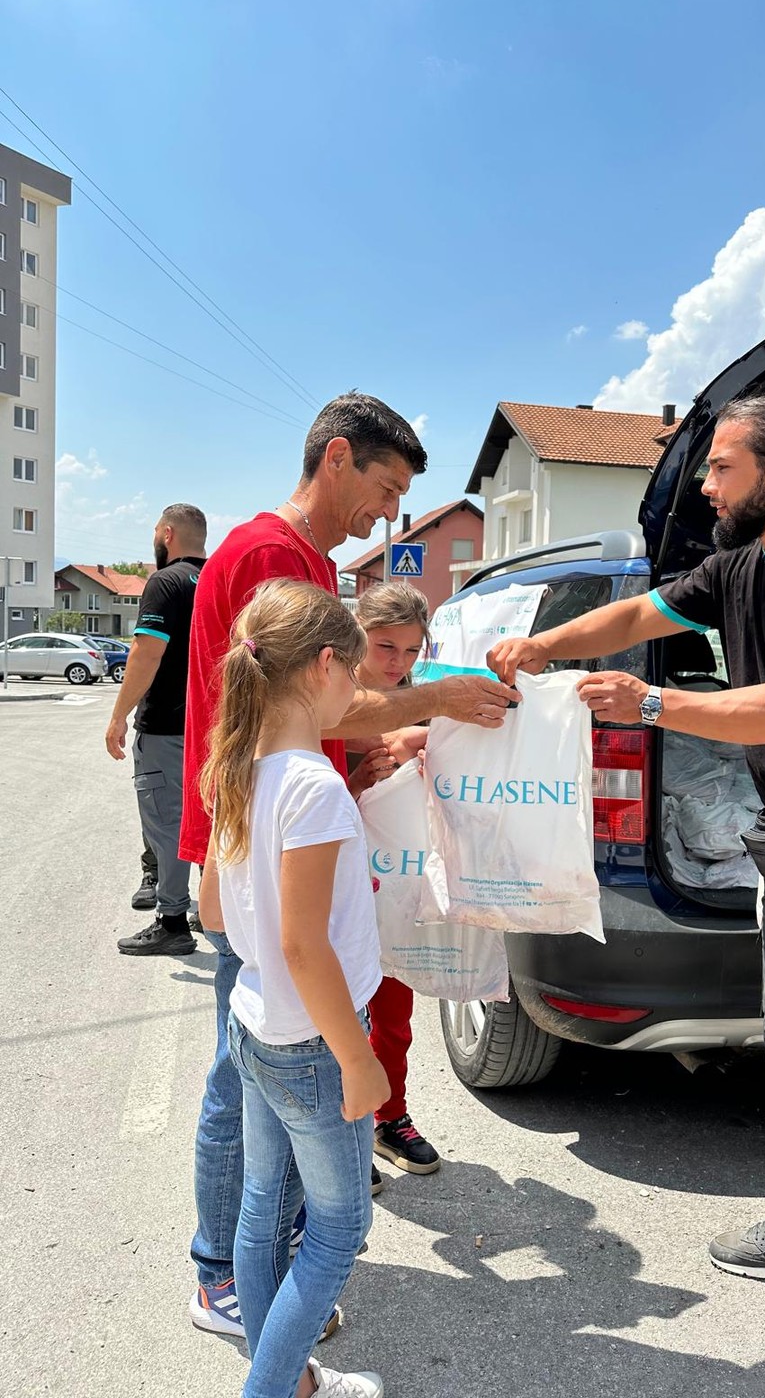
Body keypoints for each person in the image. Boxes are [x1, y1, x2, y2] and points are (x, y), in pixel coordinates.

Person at [488, 394, 765, 1398]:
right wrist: (549, 646)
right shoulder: (736, 565)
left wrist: (651, 702)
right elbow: (640, 612)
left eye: (722, 467)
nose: (704, 485)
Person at [184, 390, 518, 1339]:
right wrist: (439, 699)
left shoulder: (290, 559)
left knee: (245, 1079)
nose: (390, 511)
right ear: (337, 459)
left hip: (260, 844)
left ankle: (249, 1272)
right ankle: (226, 1278)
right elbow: (302, 713)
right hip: (267, 854)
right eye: (386, 485)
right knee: (242, 1086)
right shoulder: (274, 558)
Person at [203, 578, 388, 1398]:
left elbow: (212, 906)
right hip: (315, 1042)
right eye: (355, 674)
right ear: (323, 667)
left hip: (254, 1023)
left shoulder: (238, 765)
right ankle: (271, 1390)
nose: (358, 691)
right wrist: (359, 1058)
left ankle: (290, 1376)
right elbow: (304, 946)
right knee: (338, 1229)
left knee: (261, 1207)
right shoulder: (314, 785)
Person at [348, 582, 440, 1177]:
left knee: (393, 1012)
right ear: (354, 636)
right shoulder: (329, 700)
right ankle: (344, 1133)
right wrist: (356, 777)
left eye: (411, 651)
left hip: (396, 886)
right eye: (386, 647)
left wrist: (424, 747)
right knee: (338, 1016)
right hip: (331, 884)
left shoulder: (417, 707)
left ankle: (390, 1116)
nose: (399, 664)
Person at [106, 503, 207, 957]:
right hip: (215, 728)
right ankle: (211, 909)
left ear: (168, 533)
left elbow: (147, 653)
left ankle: (172, 922)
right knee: (212, 816)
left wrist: (118, 716)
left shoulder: (164, 582)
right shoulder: (220, 579)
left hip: (167, 726)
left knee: (167, 823)